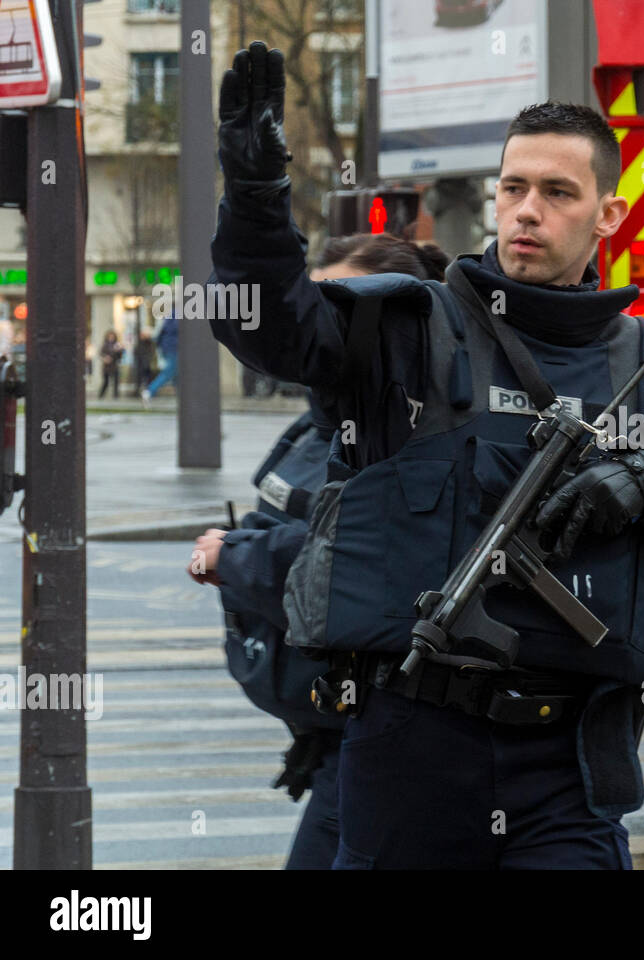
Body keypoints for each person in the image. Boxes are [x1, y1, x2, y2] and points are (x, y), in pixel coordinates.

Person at [209, 42, 644, 870]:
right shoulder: (408, 327)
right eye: (514, 188)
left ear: (607, 216)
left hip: (570, 770)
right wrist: (256, 198)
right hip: (409, 749)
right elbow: (271, 327)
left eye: (557, 192)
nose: (527, 210)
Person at [187, 233, 449, 869]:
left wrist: (236, 558)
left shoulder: (415, 428)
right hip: (336, 733)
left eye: (339, 306)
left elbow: (363, 562)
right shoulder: (323, 418)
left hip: (388, 733)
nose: (318, 324)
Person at [141, 314, 179, 407]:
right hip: (173, 348)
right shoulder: (177, 316)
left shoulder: (169, 317)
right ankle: (149, 391)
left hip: (167, 347)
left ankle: (183, 396)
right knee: (169, 372)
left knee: (176, 373)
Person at [98, 330, 124, 399]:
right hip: (106, 367)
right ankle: (101, 395)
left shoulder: (117, 344)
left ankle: (116, 396)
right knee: (106, 382)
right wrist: (105, 358)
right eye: (110, 336)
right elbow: (101, 354)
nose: (111, 338)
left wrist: (119, 351)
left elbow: (120, 356)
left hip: (114, 366)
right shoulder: (105, 345)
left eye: (112, 336)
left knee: (116, 381)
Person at [133, 329, 156, 397]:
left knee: (148, 379)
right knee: (140, 379)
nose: (142, 336)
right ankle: (139, 392)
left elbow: (151, 352)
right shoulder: (139, 343)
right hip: (140, 364)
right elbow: (136, 352)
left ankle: (150, 391)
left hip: (147, 364)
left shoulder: (149, 342)